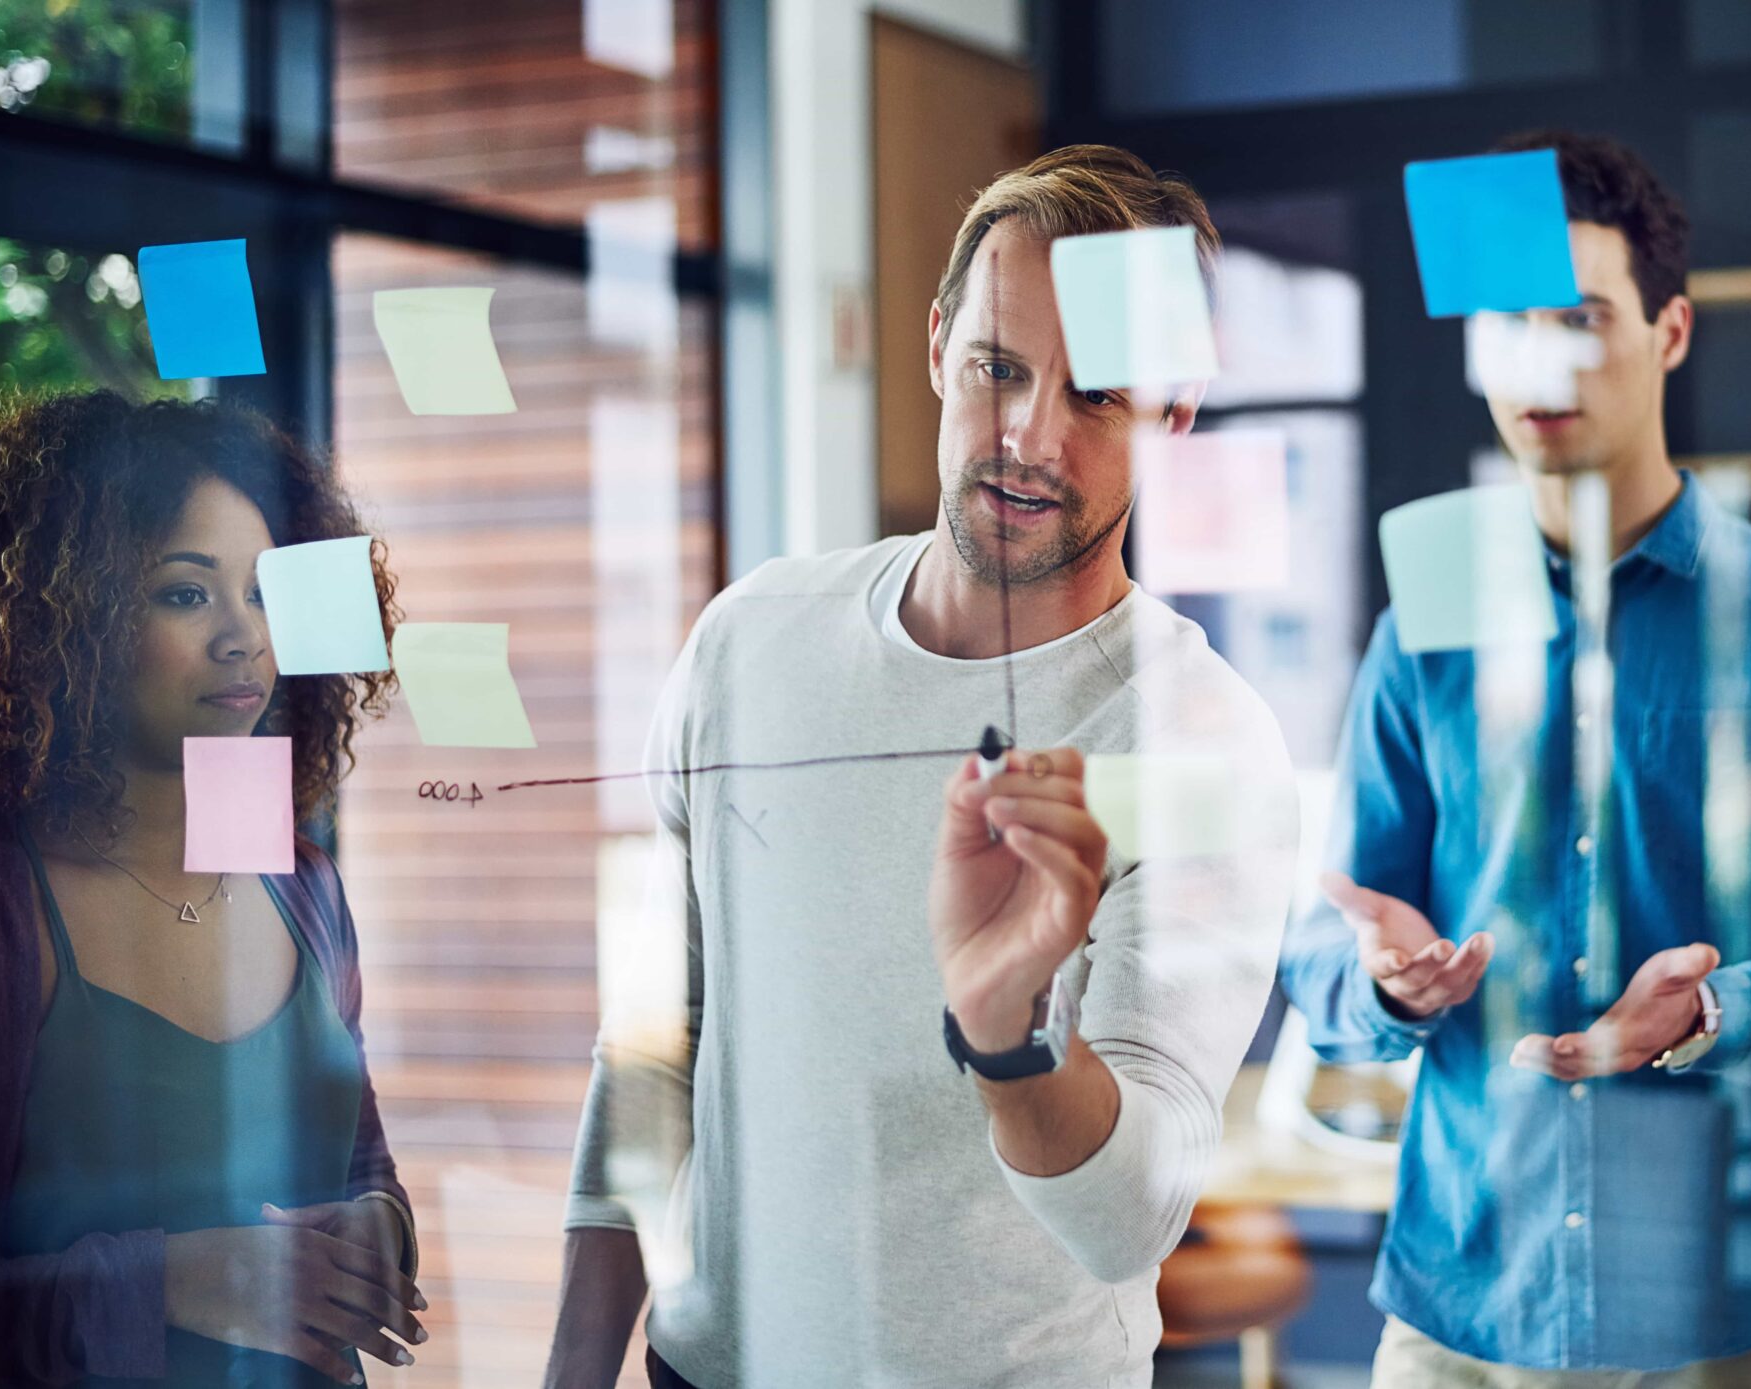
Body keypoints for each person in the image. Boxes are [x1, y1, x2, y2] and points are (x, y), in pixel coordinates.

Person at [544, 145, 1299, 1389]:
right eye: (1000, 368)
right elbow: (650, 1051)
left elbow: (1130, 1220)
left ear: (1175, 416)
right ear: (939, 341)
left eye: (1101, 396)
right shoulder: (749, 640)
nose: (1030, 436)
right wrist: (571, 1373)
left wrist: (1009, 1040)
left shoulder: (1196, 735)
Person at [1278, 129, 1751, 1387]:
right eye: (1509, 326)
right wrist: (1390, 983)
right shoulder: (1427, 618)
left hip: (1729, 1310)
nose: (1542, 363)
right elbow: (1323, 951)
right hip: (1463, 1301)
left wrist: (1716, 1014)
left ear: (1670, 333)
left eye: (1581, 317)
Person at [0, 392, 426, 1386]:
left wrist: (377, 1230)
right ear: (69, 623)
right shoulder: (0, 907)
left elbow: (362, 1164)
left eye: (267, 594)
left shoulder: (301, 886)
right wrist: (177, 1278)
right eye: (186, 594)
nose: (243, 639)